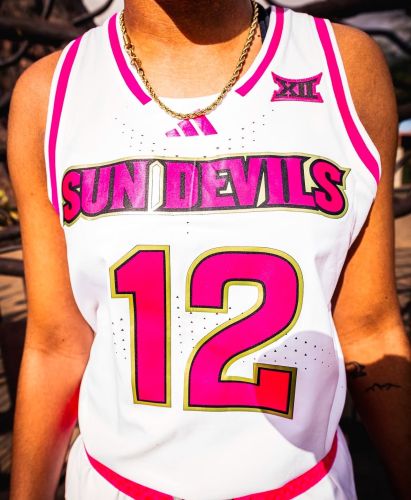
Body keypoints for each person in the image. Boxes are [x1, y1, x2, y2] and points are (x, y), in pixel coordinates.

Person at [7, 0, 411, 498]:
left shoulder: (343, 66)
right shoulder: (50, 92)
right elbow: (57, 345)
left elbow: (369, 330)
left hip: (304, 486)